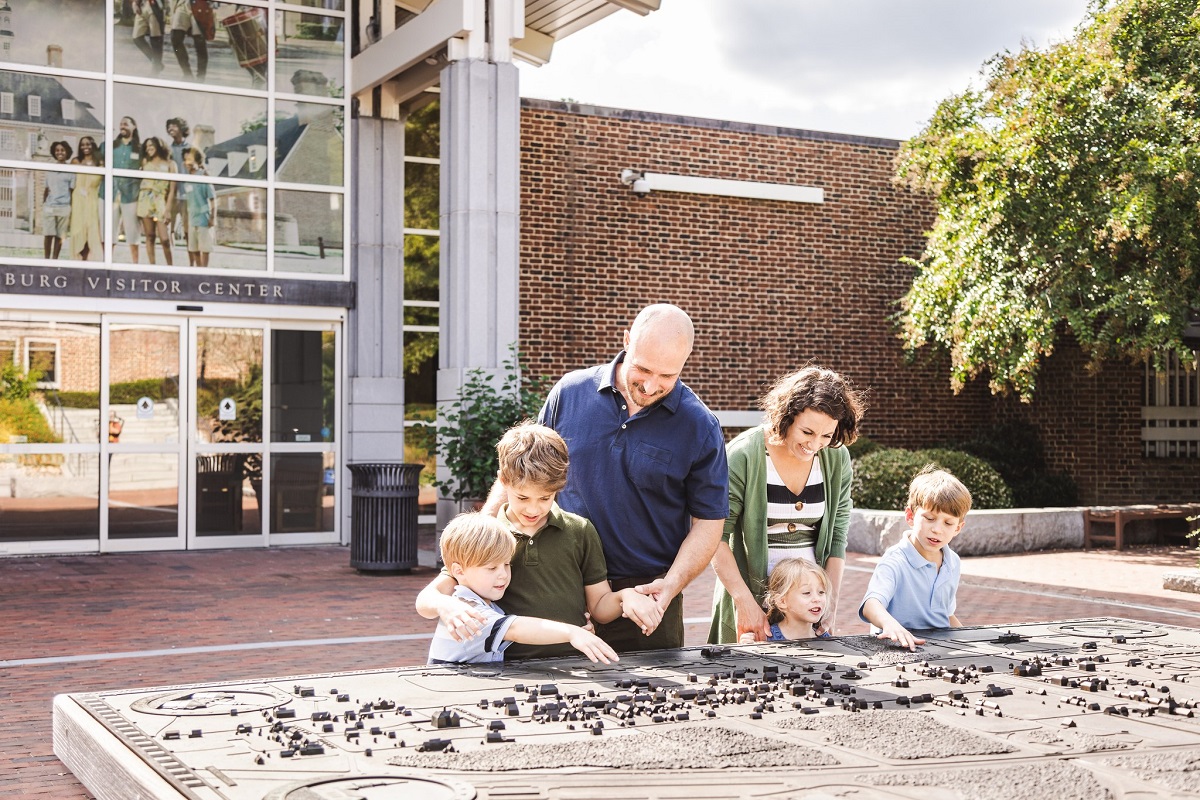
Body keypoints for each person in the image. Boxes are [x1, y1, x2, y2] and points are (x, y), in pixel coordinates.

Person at [501, 303, 729, 653]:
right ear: (626, 341)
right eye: (643, 369)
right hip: (558, 586)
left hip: (646, 597)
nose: (650, 386)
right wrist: (482, 537)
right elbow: (523, 472)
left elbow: (709, 522)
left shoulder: (700, 425)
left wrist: (669, 587)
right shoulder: (570, 392)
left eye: (667, 376)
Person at [418, 422, 661, 660]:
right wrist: (445, 605)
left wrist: (624, 597)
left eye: (545, 498)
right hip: (507, 669)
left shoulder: (580, 531)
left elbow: (599, 606)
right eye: (522, 497)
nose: (533, 509)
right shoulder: (486, 536)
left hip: (572, 664)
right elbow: (427, 599)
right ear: (503, 481)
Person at [709, 366, 865, 645]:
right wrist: (745, 602)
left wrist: (829, 603)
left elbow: (837, 536)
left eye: (826, 435)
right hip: (749, 599)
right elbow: (714, 537)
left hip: (807, 610)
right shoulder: (743, 455)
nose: (815, 444)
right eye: (807, 431)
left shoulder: (836, 458)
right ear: (786, 417)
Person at [427, 513, 619, 665]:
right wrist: (572, 633)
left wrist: (577, 631)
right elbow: (517, 629)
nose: (503, 575)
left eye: (507, 564)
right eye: (491, 568)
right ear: (459, 571)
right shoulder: (468, 612)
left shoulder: (487, 605)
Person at [858, 466, 973, 651]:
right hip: (897, 649)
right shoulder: (895, 560)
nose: (937, 529)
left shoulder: (953, 562)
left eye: (948, 523)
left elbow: (946, 615)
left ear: (958, 528)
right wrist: (890, 625)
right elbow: (871, 605)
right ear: (910, 516)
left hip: (939, 649)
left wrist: (972, 643)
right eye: (929, 518)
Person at [738, 558, 832, 643]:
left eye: (821, 592)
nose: (817, 599)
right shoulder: (765, 639)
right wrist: (747, 648)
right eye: (807, 593)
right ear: (782, 601)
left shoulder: (827, 641)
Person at [137, 136, 177, 266]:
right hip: (145, 199)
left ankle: (170, 267)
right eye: (146, 146)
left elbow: (172, 189)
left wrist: (168, 209)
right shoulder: (145, 162)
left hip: (161, 200)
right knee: (150, 236)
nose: (148, 148)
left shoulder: (170, 164)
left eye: (151, 145)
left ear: (159, 145)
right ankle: (152, 267)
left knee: (165, 239)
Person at [109, 116, 143, 263]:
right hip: (112, 194)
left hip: (131, 195)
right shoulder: (112, 146)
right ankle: (108, 262)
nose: (122, 126)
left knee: (132, 232)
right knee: (110, 231)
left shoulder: (140, 149)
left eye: (126, 124)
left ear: (133, 126)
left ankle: (135, 264)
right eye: (121, 124)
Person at [68, 136, 103, 261]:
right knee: (79, 228)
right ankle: (78, 258)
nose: (85, 147)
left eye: (88, 144)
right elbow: (70, 181)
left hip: (92, 198)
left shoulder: (99, 163)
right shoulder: (76, 161)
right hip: (78, 198)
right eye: (82, 144)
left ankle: (90, 259)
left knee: (91, 227)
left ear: (93, 145)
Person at [181, 147, 215, 267]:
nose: (188, 163)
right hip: (192, 220)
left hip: (204, 220)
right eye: (186, 160)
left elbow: (212, 198)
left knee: (204, 249)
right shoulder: (187, 181)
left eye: (190, 159)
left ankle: (204, 271)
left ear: (197, 160)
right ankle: (198, 269)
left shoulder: (204, 177)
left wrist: (212, 217)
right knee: (194, 249)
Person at [41, 141, 74, 260]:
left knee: (60, 235)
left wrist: (71, 207)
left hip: (64, 207)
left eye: (62, 150)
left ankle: (55, 259)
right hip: (50, 206)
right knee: (48, 234)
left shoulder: (71, 170)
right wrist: (44, 204)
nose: (60, 152)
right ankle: (46, 259)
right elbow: (46, 189)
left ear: (67, 152)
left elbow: (71, 190)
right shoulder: (50, 169)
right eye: (57, 150)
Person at [165, 118, 191, 245]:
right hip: (172, 195)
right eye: (169, 126)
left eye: (174, 126)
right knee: (168, 228)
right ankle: (171, 256)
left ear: (182, 128)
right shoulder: (167, 150)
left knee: (188, 229)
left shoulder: (191, 148)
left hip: (187, 194)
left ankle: (192, 257)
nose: (170, 128)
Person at [168, 0, 208, 81]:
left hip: (200, 4)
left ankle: (200, 78)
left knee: (199, 42)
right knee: (175, 38)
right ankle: (187, 74)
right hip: (182, 4)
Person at [130, 0, 165, 74]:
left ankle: (155, 70)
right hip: (142, 5)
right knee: (137, 37)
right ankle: (156, 62)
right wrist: (134, 3)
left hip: (155, 6)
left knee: (155, 37)